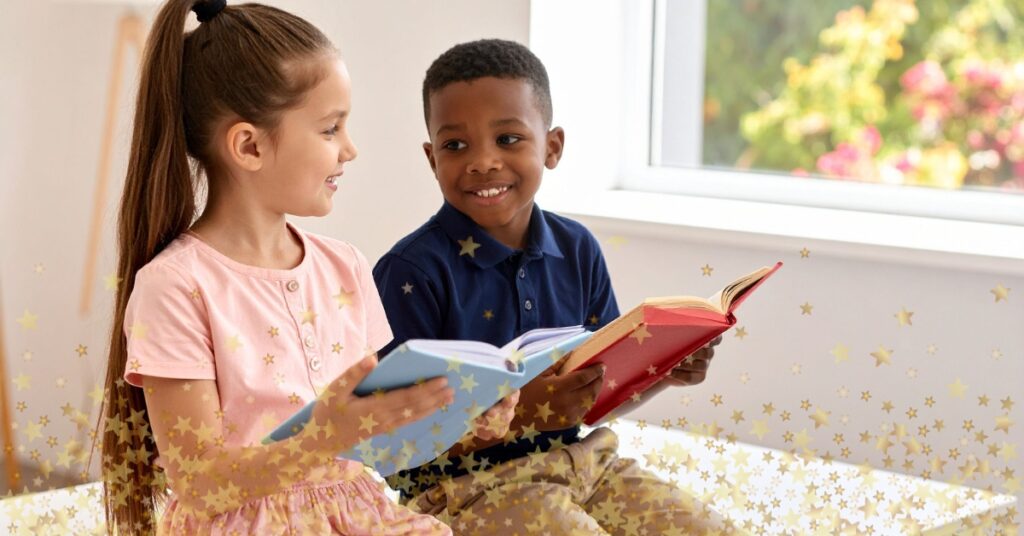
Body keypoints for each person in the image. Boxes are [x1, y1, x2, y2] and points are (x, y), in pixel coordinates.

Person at [98, 3, 514, 534]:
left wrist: (460, 421)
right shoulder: (176, 287)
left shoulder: (345, 266)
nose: (351, 148)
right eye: (330, 129)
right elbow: (200, 483)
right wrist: (325, 437)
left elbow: (375, 442)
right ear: (249, 145)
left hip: (356, 513)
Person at [373, 39, 725, 534]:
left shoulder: (577, 247)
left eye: (508, 139)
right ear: (432, 158)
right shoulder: (410, 272)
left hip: (586, 465)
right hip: (469, 489)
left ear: (552, 146)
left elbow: (598, 395)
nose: (482, 162)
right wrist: (525, 414)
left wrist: (662, 369)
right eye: (456, 145)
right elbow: (394, 443)